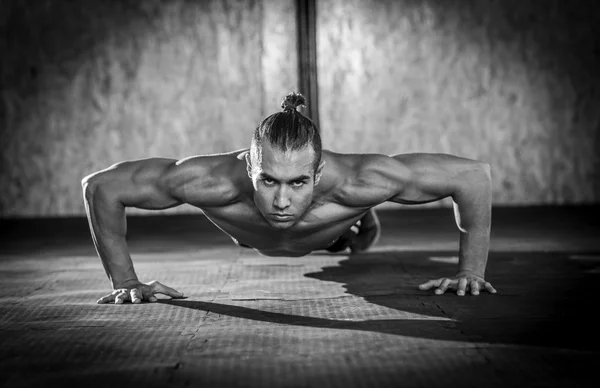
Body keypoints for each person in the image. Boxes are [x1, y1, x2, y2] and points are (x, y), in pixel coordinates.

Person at [82, 92, 497, 305]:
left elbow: (473, 176)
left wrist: (470, 271)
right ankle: (352, 223)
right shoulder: (205, 180)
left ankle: (357, 225)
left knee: (353, 231)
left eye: (298, 182)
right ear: (250, 168)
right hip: (249, 230)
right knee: (277, 222)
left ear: (318, 173)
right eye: (268, 181)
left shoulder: (363, 178)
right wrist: (126, 282)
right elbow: (101, 186)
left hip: (327, 227)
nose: (280, 200)